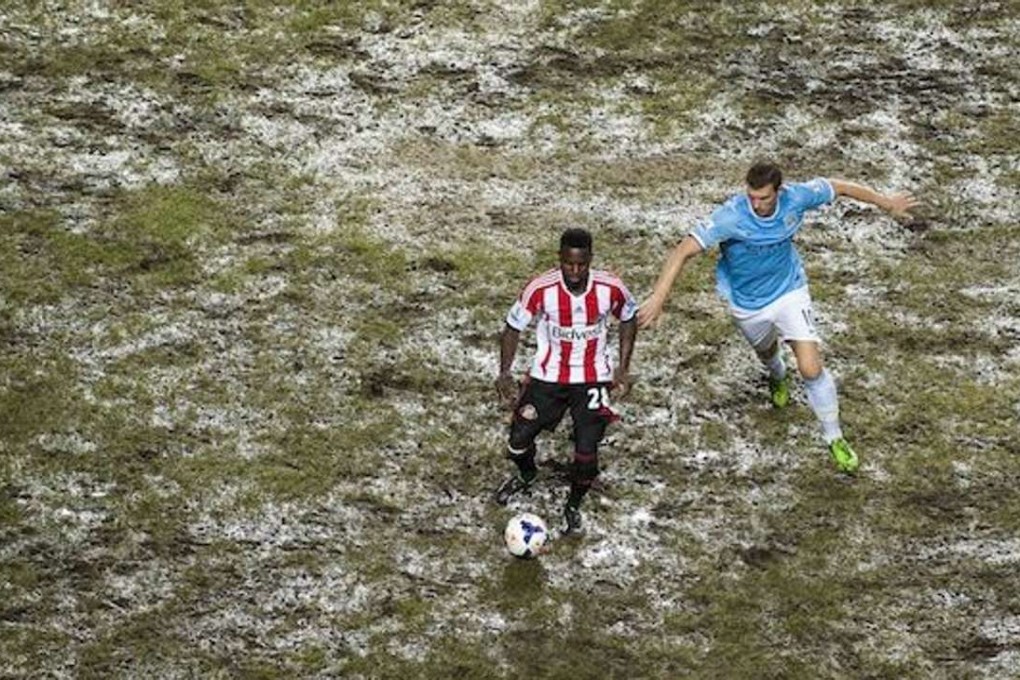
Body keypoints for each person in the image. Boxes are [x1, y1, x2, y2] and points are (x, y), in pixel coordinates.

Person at [638, 161, 918, 473]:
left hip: (789, 291)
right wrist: (658, 298)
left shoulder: (796, 198)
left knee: (811, 368)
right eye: (751, 197)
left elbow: (838, 186)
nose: (756, 204)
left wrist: (886, 202)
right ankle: (776, 373)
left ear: (779, 192)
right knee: (766, 351)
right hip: (748, 303)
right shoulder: (731, 216)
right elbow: (682, 251)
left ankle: (834, 437)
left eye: (764, 199)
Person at [494, 227, 638, 534]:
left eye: (582, 265)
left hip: (593, 377)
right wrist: (504, 372)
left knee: (586, 452)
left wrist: (623, 368)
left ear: (590, 260)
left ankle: (573, 505)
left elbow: (629, 316)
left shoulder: (609, 287)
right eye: (568, 264)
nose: (575, 271)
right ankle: (527, 475)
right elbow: (512, 326)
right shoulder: (540, 288)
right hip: (548, 376)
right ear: (559, 258)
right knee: (517, 443)